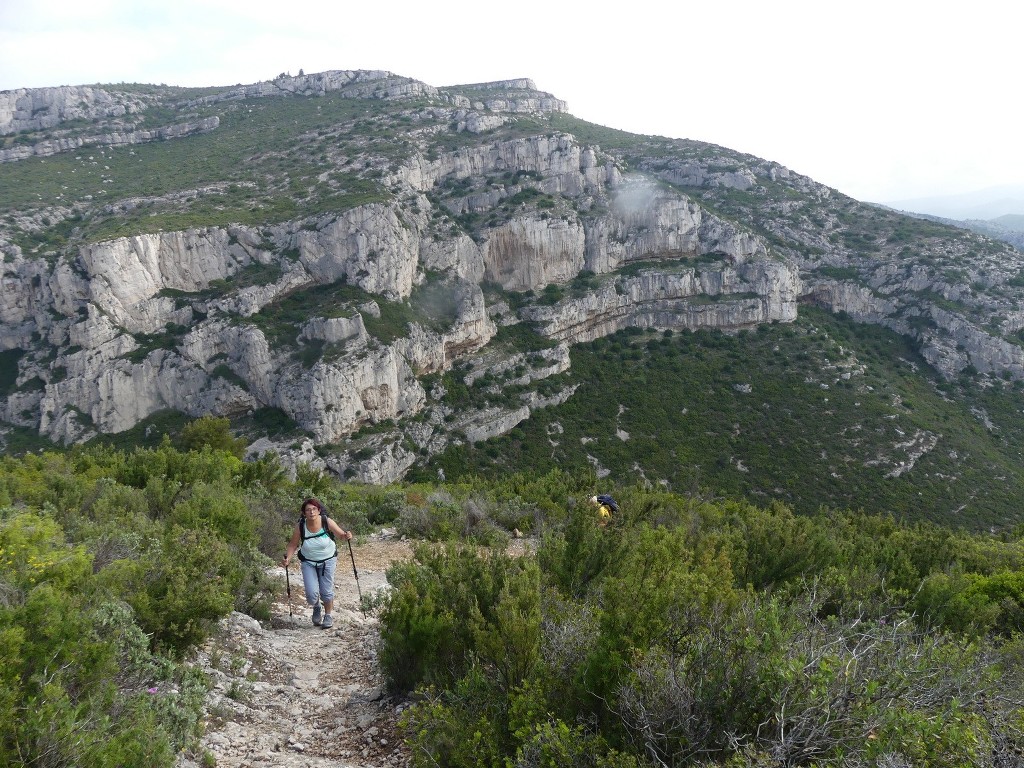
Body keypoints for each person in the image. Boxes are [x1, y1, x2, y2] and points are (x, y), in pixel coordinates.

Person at [281, 497, 353, 629]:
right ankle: (316, 607)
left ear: (319, 510)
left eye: (314, 509)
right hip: (308, 562)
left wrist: (347, 535)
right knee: (311, 594)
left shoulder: (326, 521)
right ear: (304, 513)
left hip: (328, 560)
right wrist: (288, 559)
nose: (311, 512)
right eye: (308, 510)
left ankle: (328, 615)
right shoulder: (301, 526)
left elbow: (341, 535)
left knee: (326, 591)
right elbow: (292, 545)